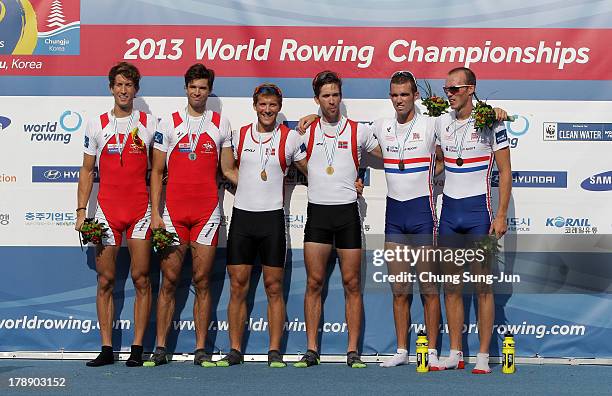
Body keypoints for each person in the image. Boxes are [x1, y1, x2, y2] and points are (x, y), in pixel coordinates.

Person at [299, 71, 444, 368]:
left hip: (421, 213)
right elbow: (295, 153)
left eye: (405, 94)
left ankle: (431, 352)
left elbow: (448, 151)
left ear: (415, 95)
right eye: (395, 94)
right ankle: (402, 350)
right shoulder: (379, 126)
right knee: (399, 288)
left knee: (428, 287)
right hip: (390, 215)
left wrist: (428, 174)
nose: (399, 99)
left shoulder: (429, 125)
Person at [145, 63, 236, 367]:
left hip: (206, 213)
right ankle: (160, 347)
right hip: (172, 213)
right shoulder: (168, 123)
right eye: (193, 87)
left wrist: (264, 181)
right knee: (168, 280)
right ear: (185, 88)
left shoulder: (221, 124)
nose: (198, 93)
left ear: (210, 91)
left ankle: (200, 349)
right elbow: (157, 171)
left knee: (203, 281)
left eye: (203, 88)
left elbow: (228, 170)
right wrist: (156, 214)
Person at [215, 83, 307, 368]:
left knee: (273, 287)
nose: (268, 110)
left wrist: (313, 119)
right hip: (243, 217)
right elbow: (227, 168)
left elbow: (312, 170)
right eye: (263, 105)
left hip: (272, 220)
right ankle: (234, 349)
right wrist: (250, 185)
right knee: (238, 287)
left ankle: (275, 350)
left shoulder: (290, 138)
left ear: (279, 107)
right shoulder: (239, 135)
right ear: (255, 106)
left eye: (273, 105)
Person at [293, 71, 378, 369]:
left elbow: (390, 152)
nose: (332, 100)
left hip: (347, 215)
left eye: (336, 94)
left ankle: (352, 350)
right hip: (318, 213)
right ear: (317, 99)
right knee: (314, 283)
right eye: (326, 95)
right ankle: (312, 349)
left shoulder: (359, 131)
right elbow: (289, 153)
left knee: (352, 284)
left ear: (341, 97)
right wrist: (313, 174)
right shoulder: (305, 131)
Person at [75, 62, 155, 367]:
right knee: (106, 280)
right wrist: (82, 211)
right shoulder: (96, 124)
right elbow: (86, 170)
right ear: (111, 88)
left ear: (136, 89)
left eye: (129, 85)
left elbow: (160, 168)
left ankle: (136, 349)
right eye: (119, 85)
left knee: (141, 278)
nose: (124, 90)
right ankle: (107, 348)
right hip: (107, 210)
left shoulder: (149, 123)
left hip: (140, 210)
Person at [435, 67, 512, 374]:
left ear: (470, 89)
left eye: (454, 89)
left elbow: (505, 171)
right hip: (450, 214)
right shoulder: (442, 121)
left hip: (480, 214)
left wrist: (502, 213)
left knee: (483, 287)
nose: (449, 94)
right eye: (446, 90)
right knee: (451, 287)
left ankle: (482, 355)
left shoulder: (491, 121)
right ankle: (455, 352)